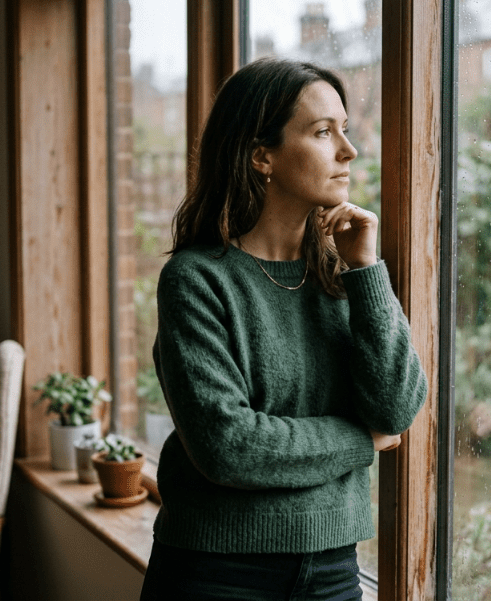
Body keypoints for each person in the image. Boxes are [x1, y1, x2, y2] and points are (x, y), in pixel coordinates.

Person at [139, 57, 427, 601]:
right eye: (323, 132)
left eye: (346, 129)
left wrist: (365, 271)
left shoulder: (343, 275)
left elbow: (396, 410)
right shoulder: (196, 280)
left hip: (334, 571)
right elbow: (229, 446)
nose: (349, 150)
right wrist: (360, 440)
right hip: (216, 574)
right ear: (261, 156)